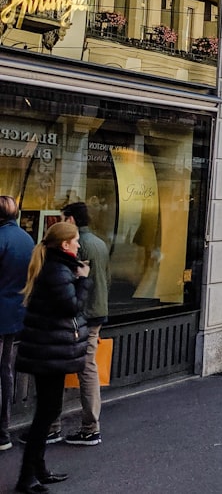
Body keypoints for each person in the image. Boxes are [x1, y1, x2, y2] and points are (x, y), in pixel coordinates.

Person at [16, 220, 90, 494]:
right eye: (76, 240)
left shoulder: (56, 266)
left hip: (49, 349)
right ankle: (27, 476)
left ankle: (38, 469)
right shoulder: (58, 270)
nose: (79, 244)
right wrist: (83, 281)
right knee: (45, 413)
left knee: (48, 411)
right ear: (65, 244)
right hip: (49, 350)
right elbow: (70, 307)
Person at [52, 202, 109, 448]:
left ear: (72, 220)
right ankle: (88, 428)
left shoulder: (78, 245)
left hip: (80, 314)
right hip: (96, 311)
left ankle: (85, 428)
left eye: (63, 219)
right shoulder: (100, 243)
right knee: (88, 366)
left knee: (74, 367)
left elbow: (70, 283)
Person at [0, 196, 33, 452]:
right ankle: (4, 427)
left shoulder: (1, 238)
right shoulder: (26, 239)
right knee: (6, 369)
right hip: (16, 312)